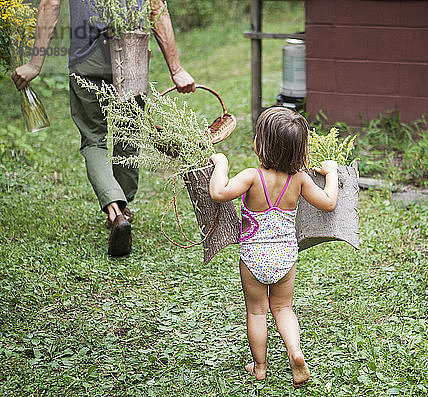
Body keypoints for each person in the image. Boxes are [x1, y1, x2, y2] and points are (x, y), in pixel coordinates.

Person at [11, 0, 195, 256]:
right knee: (128, 136)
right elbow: (157, 7)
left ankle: (115, 210)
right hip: (132, 55)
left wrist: (35, 64)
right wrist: (176, 69)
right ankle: (123, 207)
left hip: (85, 60)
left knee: (93, 140)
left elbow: (50, 4)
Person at [208, 107, 339, 387]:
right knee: (283, 308)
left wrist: (221, 164)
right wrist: (332, 173)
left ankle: (259, 366)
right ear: (300, 151)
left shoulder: (251, 177)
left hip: (253, 257)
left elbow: (218, 193)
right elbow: (329, 202)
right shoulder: (300, 179)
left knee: (257, 311)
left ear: (260, 145)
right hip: (285, 257)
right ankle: (295, 351)